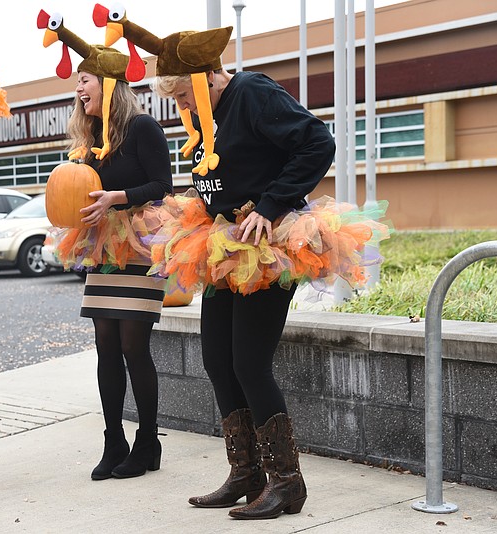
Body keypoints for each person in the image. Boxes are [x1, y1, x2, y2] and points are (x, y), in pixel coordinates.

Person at [155, 51, 336, 521]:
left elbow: (318, 142)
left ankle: (287, 483)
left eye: (184, 98)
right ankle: (246, 474)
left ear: (208, 78)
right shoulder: (206, 112)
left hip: (269, 245)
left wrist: (271, 203)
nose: (185, 110)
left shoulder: (252, 93)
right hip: (221, 243)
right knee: (217, 360)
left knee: (250, 363)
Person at [37, 12, 173, 480]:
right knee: (105, 345)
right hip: (102, 250)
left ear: (111, 85)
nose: (80, 88)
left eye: (87, 80)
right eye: (78, 81)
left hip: (137, 247)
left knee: (135, 346)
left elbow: (163, 185)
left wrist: (119, 197)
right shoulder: (91, 140)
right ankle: (113, 440)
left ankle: (148, 442)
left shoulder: (142, 128)